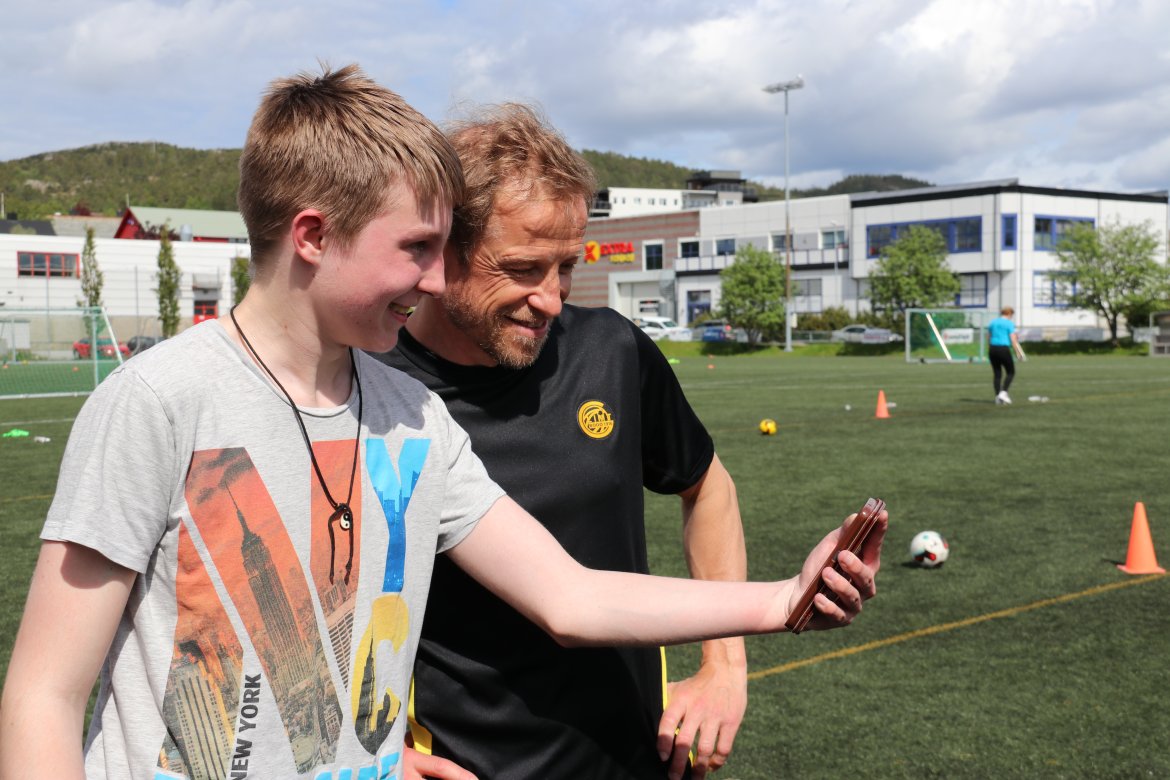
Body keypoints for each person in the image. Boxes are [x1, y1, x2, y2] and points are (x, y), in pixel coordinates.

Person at [0, 66, 886, 780]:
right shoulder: (159, 400)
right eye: (417, 249)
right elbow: (44, 694)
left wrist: (780, 601)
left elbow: (570, 596)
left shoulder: (410, 414)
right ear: (312, 235)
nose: (434, 281)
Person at [372, 104, 744, 780]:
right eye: (520, 268)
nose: (550, 298)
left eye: (565, 267)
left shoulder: (612, 352)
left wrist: (724, 663)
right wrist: (377, 758)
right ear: (440, 251)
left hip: (644, 763)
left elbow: (708, 485)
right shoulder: (372, 393)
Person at [988, 306, 1025, 404]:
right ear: (1009, 314)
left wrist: (990, 348)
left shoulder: (993, 322)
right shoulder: (1009, 323)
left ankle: (997, 397)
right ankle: (1003, 392)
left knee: (997, 374)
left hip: (992, 349)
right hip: (1003, 349)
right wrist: (1018, 353)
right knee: (1011, 372)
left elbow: (989, 336)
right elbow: (1013, 339)